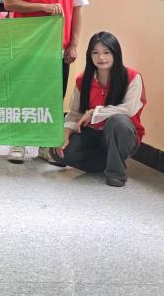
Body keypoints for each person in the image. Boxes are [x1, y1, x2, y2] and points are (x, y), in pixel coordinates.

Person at [2, 0, 88, 164]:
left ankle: (45, 146)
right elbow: (9, 3)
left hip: (58, 49)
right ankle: (18, 142)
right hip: (26, 46)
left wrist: (73, 44)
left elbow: (78, 9)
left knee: (53, 98)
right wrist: (43, 7)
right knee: (22, 93)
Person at [52, 32, 145, 187]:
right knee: (60, 153)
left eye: (106, 52)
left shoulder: (132, 77)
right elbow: (75, 113)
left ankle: (116, 173)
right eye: (95, 53)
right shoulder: (83, 80)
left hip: (123, 135)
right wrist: (65, 133)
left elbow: (128, 109)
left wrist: (94, 112)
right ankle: (107, 161)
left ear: (116, 53)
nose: (101, 57)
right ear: (90, 55)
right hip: (93, 134)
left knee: (118, 121)